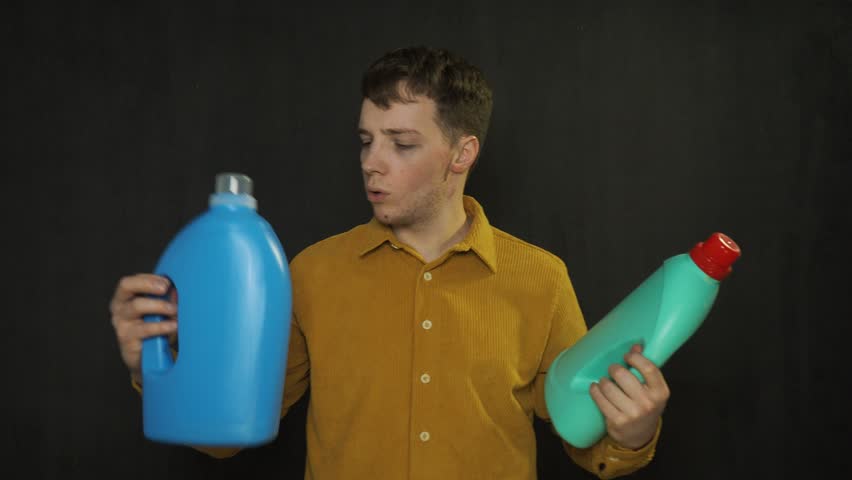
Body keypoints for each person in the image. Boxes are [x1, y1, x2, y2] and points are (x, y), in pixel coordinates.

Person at [109, 46, 668, 479]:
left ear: (461, 154)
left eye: (400, 144)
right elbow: (227, 433)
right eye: (365, 140)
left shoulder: (542, 280)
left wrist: (634, 432)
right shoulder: (310, 273)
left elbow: (585, 438)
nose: (371, 164)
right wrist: (158, 366)